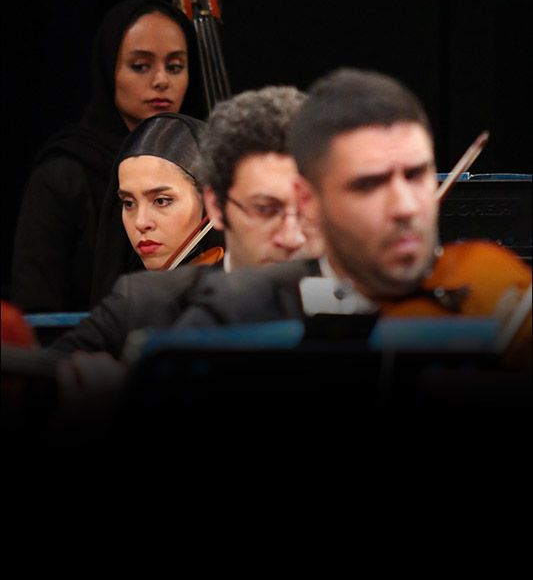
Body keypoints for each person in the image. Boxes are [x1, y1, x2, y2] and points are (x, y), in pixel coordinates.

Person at [174, 69, 532, 369]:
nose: (406, 206)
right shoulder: (225, 316)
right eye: (369, 184)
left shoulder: (493, 287)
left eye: (416, 174)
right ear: (310, 201)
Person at [46, 85, 324, 364]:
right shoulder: (142, 301)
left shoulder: (346, 296)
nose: (293, 237)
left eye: (309, 210)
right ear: (216, 205)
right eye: (265, 209)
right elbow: (36, 376)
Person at [10, 0, 203, 314]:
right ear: (108, 69)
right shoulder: (63, 174)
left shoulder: (204, 155)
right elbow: (35, 308)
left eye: (175, 67)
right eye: (140, 66)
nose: (161, 81)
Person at [90, 112, 223, 303]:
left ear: (212, 201)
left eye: (162, 201)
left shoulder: (240, 295)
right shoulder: (127, 296)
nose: (140, 222)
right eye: (128, 203)